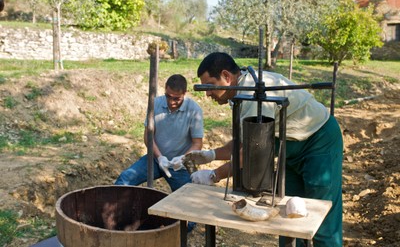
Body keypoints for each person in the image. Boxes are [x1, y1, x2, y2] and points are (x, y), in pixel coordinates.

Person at [174, 52, 343, 247]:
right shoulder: (240, 93)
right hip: (289, 147)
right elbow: (244, 142)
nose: (208, 93)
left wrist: (214, 175)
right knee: (289, 218)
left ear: (226, 77)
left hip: (319, 141)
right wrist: (210, 155)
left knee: (322, 218)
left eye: (210, 86)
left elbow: (249, 155)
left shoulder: (253, 97)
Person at [115, 74, 204, 193]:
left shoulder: (194, 110)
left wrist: (182, 159)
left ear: (184, 93)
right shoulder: (155, 104)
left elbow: (197, 144)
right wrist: (160, 157)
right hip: (156, 160)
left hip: (180, 165)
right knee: (125, 179)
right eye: (168, 96)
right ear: (165, 90)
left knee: (189, 195)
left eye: (176, 98)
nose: (171, 102)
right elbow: (148, 135)